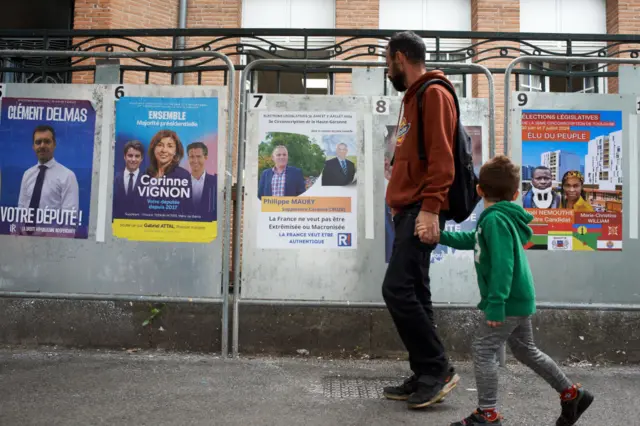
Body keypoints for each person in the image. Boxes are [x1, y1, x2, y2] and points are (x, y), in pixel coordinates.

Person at [422, 155, 594, 426]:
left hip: (508, 299)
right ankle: (572, 395)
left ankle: (487, 415)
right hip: (518, 296)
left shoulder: (495, 220)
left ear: (479, 190)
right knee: (526, 350)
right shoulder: (496, 219)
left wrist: (497, 303)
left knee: (483, 348)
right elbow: (475, 240)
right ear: (515, 194)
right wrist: (441, 236)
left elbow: (504, 264)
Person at [381, 30, 460, 409]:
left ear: (399, 57)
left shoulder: (434, 94)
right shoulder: (413, 98)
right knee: (415, 291)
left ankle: (437, 369)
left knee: (396, 289)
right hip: (407, 209)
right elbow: (419, 155)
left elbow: (443, 160)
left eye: (386, 62)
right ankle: (426, 371)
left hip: (419, 210)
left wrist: (430, 209)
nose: (386, 69)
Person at [18, 124, 79, 235]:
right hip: (24, 243)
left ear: (54, 144)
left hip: (53, 245)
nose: (42, 145)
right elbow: (20, 211)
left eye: (47, 141)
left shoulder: (67, 176)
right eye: (38, 142)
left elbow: (70, 221)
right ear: (33, 146)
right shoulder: (27, 175)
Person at [113, 140, 144, 218]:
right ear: (124, 157)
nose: (133, 159)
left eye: (137, 156)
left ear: (141, 158)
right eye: (130, 155)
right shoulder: (114, 178)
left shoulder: (148, 180)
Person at [187, 141, 217, 219]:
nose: (195, 161)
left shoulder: (215, 182)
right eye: (192, 157)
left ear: (206, 157)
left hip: (207, 227)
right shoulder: (181, 182)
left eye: (198, 156)